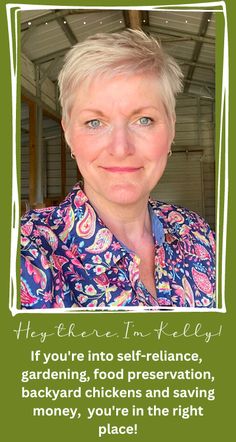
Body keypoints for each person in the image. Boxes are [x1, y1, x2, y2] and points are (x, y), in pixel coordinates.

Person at [21, 29, 216, 309]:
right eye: (94, 123)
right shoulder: (28, 252)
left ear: (172, 128)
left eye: (144, 120)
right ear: (68, 134)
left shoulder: (196, 232)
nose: (121, 148)